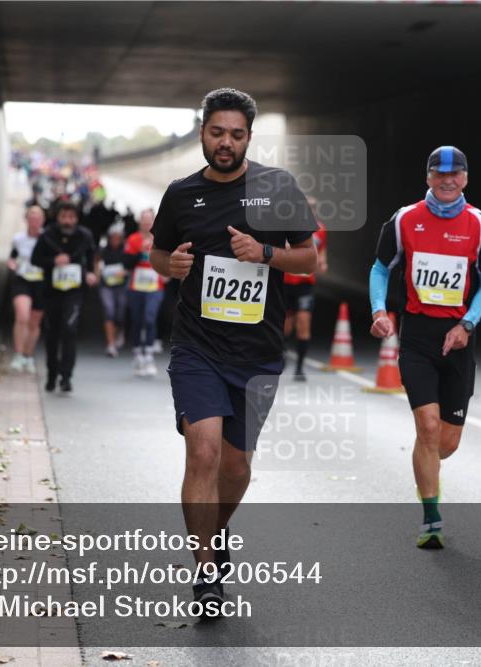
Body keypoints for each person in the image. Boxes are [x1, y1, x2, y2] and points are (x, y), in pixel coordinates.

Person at [149, 88, 317, 617]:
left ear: (248, 137)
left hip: (257, 352)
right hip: (196, 345)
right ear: (203, 132)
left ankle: (215, 532)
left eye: (236, 134)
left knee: (237, 467)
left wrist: (265, 253)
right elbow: (158, 252)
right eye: (217, 132)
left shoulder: (276, 187)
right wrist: (168, 266)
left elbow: (310, 258)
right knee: (203, 451)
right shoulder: (180, 194)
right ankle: (204, 575)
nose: (226, 143)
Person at [369, 145, 481, 549]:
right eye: (439, 173)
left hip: (459, 339)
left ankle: (426, 462)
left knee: (446, 442)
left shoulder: (479, 224)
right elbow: (380, 267)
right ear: (427, 177)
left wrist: (467, 324)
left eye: (455, 173)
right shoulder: (404, 220)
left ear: (465, 178)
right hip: (418, 337)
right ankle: (431, 520)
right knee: (426, 427)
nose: (447, 180)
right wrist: (379, 310)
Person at [31, 201, 98, 393]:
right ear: (58, 217)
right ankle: (52, 374)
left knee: (69, 329)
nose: (67, 221)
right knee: (52, 334)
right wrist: (53, 261)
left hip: (74, 291)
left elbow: (92, 256)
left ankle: (66, 376)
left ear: (76, 219)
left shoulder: (84, 236)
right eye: (64, 217)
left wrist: (91, 273)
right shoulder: (47, 236)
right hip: (51, 292)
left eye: (71, 217)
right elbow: (35, 259)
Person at [283, 197, 328, 381]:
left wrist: (323, 263)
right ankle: (282, 352)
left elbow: (322, 254)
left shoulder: (321, 230)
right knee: (285, 326)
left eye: (313, 208)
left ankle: (300, 368)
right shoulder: (287, 228)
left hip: (305, 285)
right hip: (285, 282)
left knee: (303, 324)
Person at [124, 209, 166, 377]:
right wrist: (139, 251)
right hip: (136, 286)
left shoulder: (161, 238)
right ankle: (137, 353)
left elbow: (167, 257)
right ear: (139, 222)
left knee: (150, 317)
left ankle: (148, 354)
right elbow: (126, 263)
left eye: (150, 220)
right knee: (136, 319)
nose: (147, 223)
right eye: (144, 220)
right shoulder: (133, 239)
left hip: (155, 286)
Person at [7, 206, 47, 373]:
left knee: (34, 322)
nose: (34, 221)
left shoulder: (47, 238)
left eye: (38, 218)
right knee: (22, 315)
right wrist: (11, 263)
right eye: (31, 217)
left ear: (42, 221)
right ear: (26, 219)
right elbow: (13, 256)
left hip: (41, 282)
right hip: (22, 280)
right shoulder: (19, 239)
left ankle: (28, 355)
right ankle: (18, 354)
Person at [97, 222, 128, 357]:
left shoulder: (126, 250)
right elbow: (97, 263)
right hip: (106, 285)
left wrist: (125, 272)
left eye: (118, 237)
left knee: (120, 312)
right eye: (113, 237)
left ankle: (120, 330)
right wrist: (97, 273)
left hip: (122, 286)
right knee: (109, 310)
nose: (115, 240)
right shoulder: (103, 250)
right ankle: (111, 344)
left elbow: (131, 265)